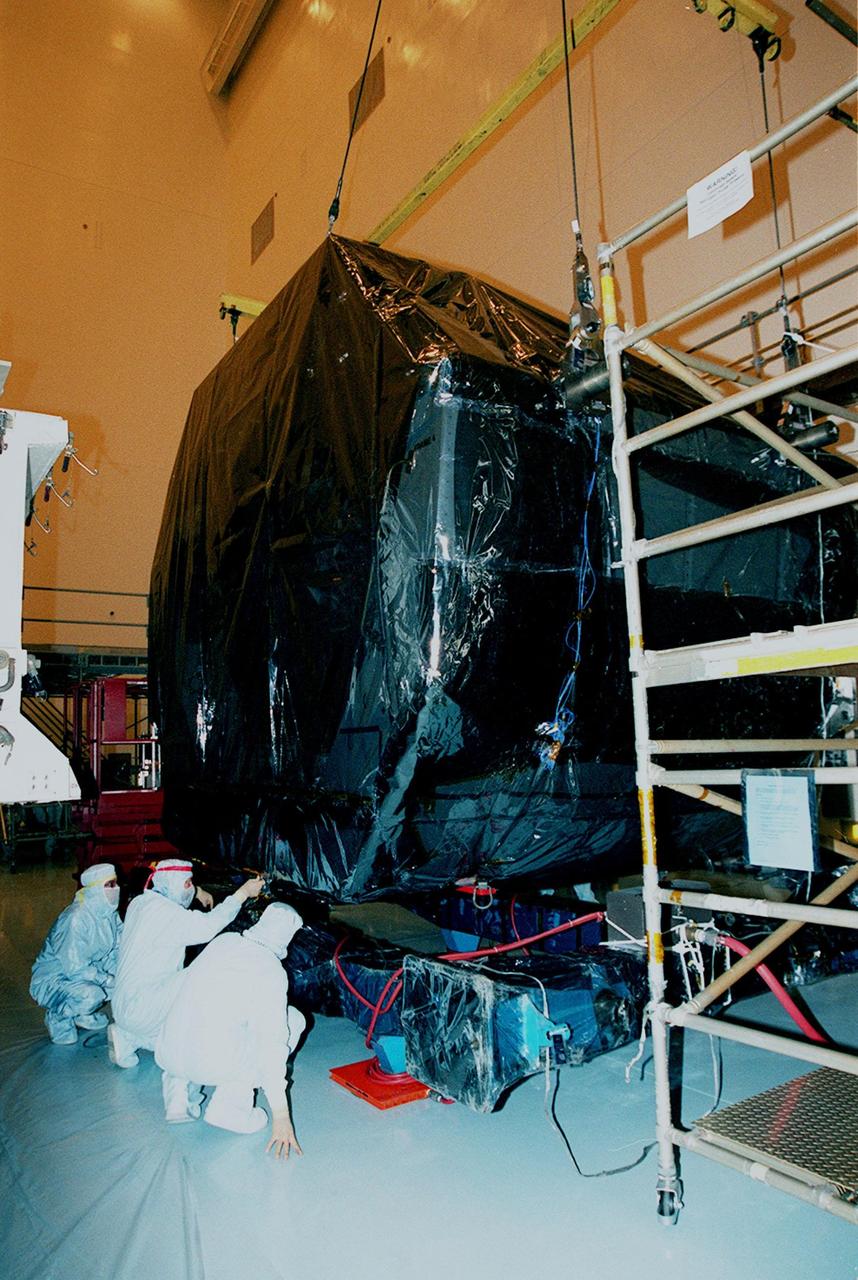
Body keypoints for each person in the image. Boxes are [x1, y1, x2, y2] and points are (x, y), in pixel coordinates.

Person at [155, 902, 305, 1154]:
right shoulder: (270, 969)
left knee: (203, 1015)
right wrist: (281, 1115)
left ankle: (178, 1097)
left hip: (167, 1051)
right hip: (207, 1064)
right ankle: (232, 1106)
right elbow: (273, 1043)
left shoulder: (224, 941)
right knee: (294, 1020)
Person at [107, 859, 264, 1077]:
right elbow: (209, 926)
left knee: (165, 1015)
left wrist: (197, 891)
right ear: (173, 884)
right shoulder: (166, 914)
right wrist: (243, 893)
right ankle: (156, 1040)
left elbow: (174, 892)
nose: (190, 888)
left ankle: (127, 1036)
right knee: (205, 973)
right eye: (187, 884)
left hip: (123, 1004)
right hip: (144, 1007)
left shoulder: (140, 903)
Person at [30, 862, 122, 1045]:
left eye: (116, 883)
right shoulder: (75, 919)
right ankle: (58, 1017)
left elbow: (119, 944)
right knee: (93, 995)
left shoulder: (108, 913)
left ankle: (82, 1014)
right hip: (55, 978)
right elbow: (75, 967)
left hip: (87, 971)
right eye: (110, 885)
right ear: (95, 889)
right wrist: (106, 979)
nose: (116, 889)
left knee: (122, 980)